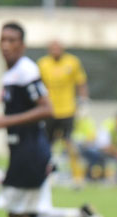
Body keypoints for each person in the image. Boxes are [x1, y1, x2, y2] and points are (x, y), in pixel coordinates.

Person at [0, 22, 109, 217]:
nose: (6, 45)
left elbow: (46, 109)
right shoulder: (13, 73)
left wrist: (3, 122)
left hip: (30, 153)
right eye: (3, 40)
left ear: (22, 45)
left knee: (17, 214)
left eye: (12, 40)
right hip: (24, 151)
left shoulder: (26, 70)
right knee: (24, 213)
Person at [37, 40, 88, 186]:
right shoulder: (43, 64)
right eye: (52, 48)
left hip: (67, 110)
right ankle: (47, 174)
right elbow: (38, 85)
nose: (55, 51)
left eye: (58, 48)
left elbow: (81, 82)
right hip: (49, 110)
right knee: (46, 145)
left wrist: (84, 101)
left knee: (69, 143)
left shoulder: (72, 62)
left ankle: (77, 177)